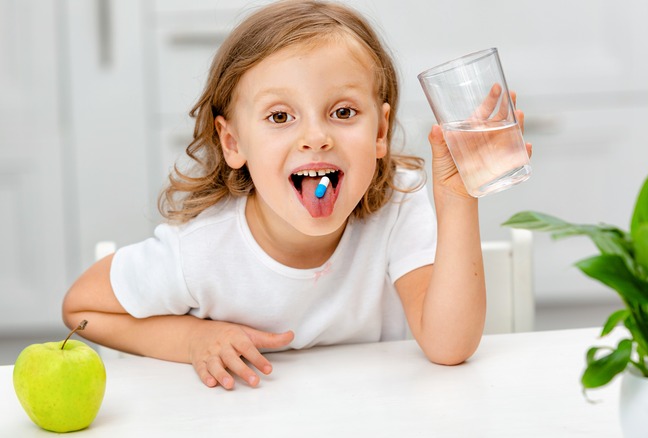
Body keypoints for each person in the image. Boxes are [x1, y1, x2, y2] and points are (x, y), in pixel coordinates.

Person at [62, 0, 530, 389]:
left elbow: (449, 347)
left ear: (380, 130)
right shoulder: (202, 250)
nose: (316, 137)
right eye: (280, 117)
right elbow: (81, 308)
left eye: (343, 111)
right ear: (233, 142)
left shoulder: (398, 207)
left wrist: (458, 198)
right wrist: (191, 341)